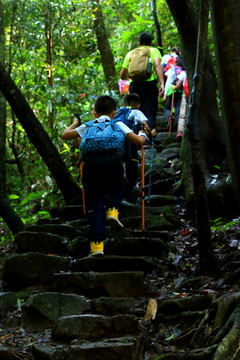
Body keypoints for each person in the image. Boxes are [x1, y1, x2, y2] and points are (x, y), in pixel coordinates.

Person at [61, 95, 148, 256]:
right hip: (113, 164)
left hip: (91, 167)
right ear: (114, 112)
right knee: (118, 187)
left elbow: (65, 135)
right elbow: (138, 141)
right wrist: (143, 133)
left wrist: (75, 122)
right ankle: (113, 211)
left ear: (94, 113)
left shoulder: (88, 125)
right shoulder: (119, 124)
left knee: (95, 205)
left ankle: (97, 247)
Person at [120, 32, 165, 129]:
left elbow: (123, 72)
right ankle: (148, 139)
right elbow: (157, 65)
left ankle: (136, 138)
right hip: (149, 85)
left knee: (135, 111)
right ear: (151, 43)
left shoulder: (131, 53)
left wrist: (124, 79)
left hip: (134, 85)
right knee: (150, 112)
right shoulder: (153, 50)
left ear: (139, 43)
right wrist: (162, 83)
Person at [114, 93, 154, 202]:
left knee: (118, 164)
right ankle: (128, 192)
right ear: (138, 105)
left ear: (124, 103)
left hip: (114, 142)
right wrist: (151, 134)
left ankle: (118, 189)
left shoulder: (117, 112)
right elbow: (145, 126)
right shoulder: (137, 112)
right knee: (131, 164)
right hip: (129, 141)